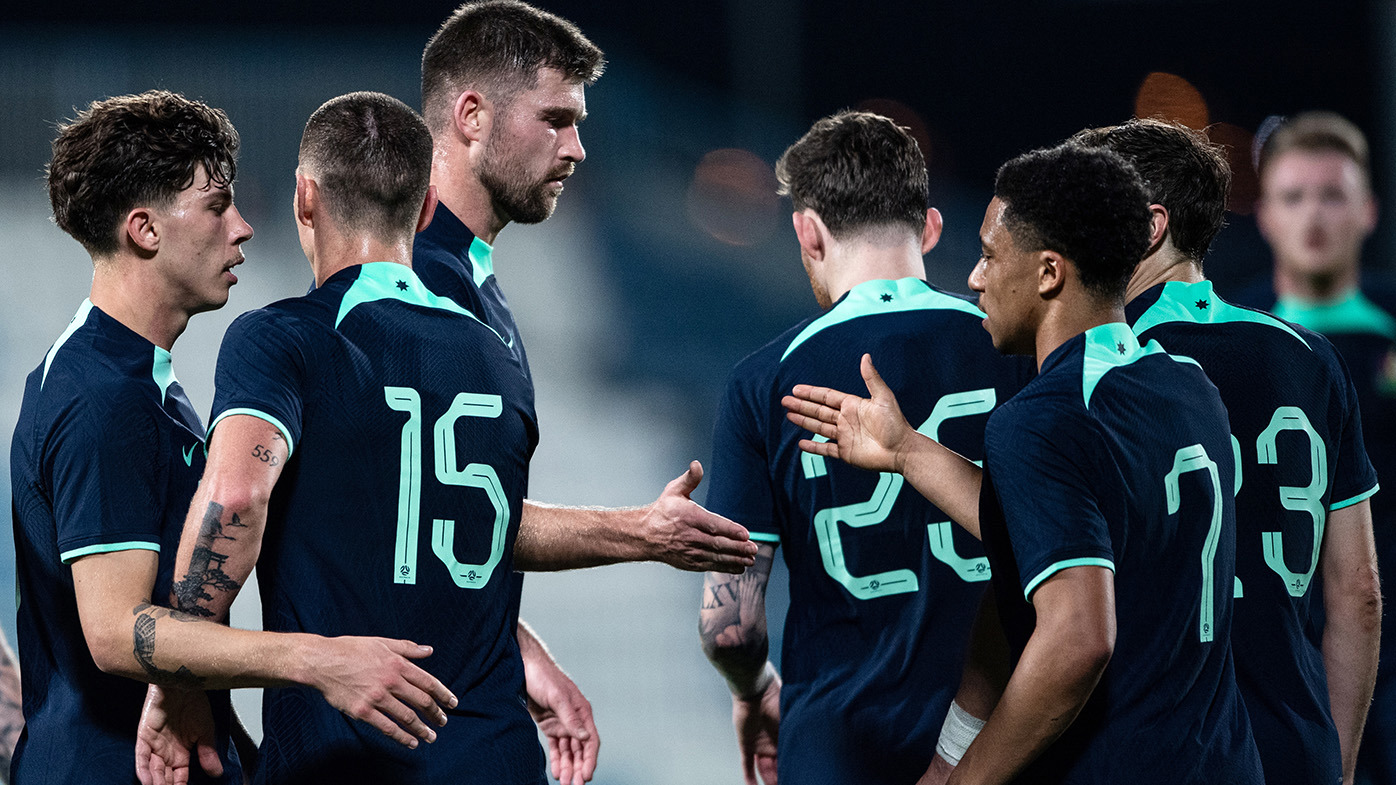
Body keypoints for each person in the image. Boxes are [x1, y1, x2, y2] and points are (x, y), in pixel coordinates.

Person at [784, 143, 1263, 784]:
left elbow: (1078, 639)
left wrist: (968, 778)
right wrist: (906, 450)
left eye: (988, 255)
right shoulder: (1182, 383)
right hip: (1224, 762)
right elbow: (1070, 524)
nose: (975, 278)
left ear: (1047, 273)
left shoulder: (1042, 417)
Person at [11, 90, 452, 785]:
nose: (243, 227)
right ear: (145, 230)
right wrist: (319, 660)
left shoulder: (140, 383)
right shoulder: (102, 397)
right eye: (217, 206)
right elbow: (116, 632)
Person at [129, 91, 527, 784]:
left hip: (345, 759)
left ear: (304, 198)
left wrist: (179, 682)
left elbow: (236, 500)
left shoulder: (285, 337)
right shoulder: (499, 355)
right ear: (427, 207)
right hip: (497, 752)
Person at [416, 4, 758, 781]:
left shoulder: (467, 279)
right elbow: (411, 518)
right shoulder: (406, 288)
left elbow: (439, 531)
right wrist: (641, 531)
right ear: (472, 116)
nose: (577, 147)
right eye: (556, 120)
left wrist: (520, 648)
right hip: (426, 744)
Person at [697, 111, 1030, 785]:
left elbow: (729, 623)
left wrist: (754, 687)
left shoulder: (766, 379)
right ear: (931, 227)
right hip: (1005, 744)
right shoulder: (1019, 351)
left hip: (838, 748)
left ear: (807, 232)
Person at [1072, 118, 1381, 785]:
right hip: (1293, 744)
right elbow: (1358, 592)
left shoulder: (1099, 361)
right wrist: (1338, 767)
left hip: (1156, 747)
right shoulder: (1312, 357)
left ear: (1149, 227)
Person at [1237, 110, 1396, 784]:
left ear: (1367, 210)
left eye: (1333, 195)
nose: (1314, 216)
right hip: (1281, 651)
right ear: (1266, 215)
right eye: (1294, 196)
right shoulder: (1235, 336)